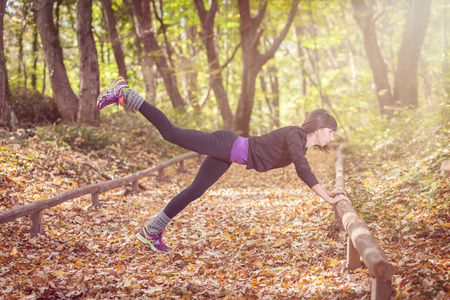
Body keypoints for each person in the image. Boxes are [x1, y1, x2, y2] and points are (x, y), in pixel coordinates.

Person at [97, 77, 351, 252]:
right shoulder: (296, 135)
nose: (331, 136)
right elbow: (302, 169)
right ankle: (125, 93)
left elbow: (303, 167)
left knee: (195, 191)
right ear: (319, 128)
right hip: (226, 145)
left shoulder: (301, 142)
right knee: (171, 133)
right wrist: (327, 198)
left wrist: (328, 193)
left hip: (228, 154)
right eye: (331, 131)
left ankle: (151, 231)